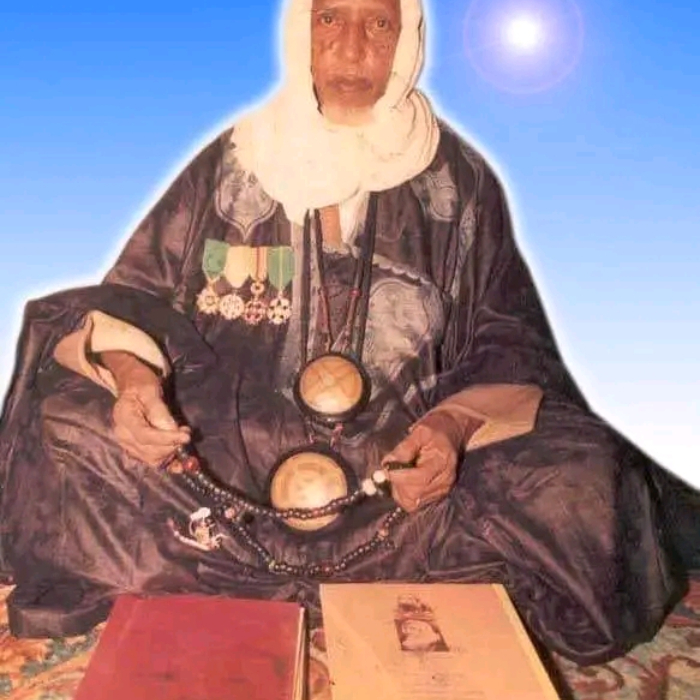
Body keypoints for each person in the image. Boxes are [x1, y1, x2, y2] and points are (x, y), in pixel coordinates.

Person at [0, 0, 696, 667]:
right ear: (299, 30)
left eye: (379, 23)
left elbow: (507, 334)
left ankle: (208, 568)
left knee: (584, 475)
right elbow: (135, 297)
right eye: (330, 18)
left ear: (408, 38)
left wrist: (450, 431)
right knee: (64, 421)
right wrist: (136, 385)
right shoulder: (233, 164)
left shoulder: (457, 180)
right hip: (229, 452)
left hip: (400, 461)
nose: (353, 47)